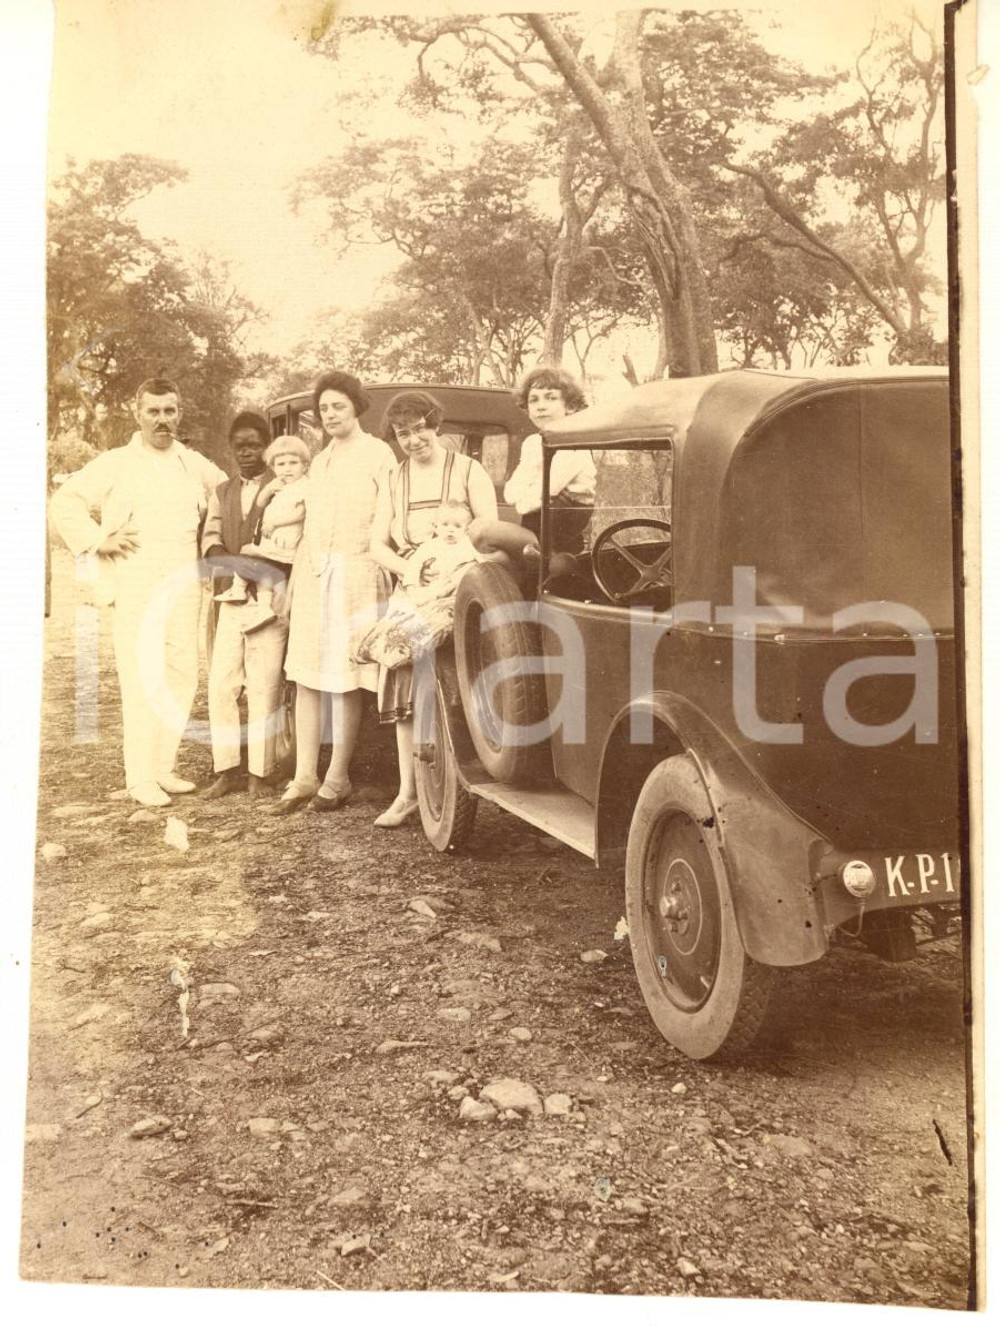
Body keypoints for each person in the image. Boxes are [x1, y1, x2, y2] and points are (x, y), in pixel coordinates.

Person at [49, 377, 227, 807]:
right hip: (136, 578)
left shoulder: (192, 462)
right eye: (154, 411)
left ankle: (163, 766)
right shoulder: (115, 462)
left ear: (179, 413)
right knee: (142, 673)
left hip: (184, 578)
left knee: (182, 672)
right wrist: (96, 540)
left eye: (170, 411)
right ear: (137, 413)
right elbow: (64, 502)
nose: (162, 420)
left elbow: (230, 493)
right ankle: (139, 776)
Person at [265, 371, 396, 816]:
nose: (330, 415)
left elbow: (386, 521)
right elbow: (307, 528)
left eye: (338, 406)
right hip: (315, 574)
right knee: (305, 676)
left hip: (358, 573)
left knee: (344, 679)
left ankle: (337, 777)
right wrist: (297, 582)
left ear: (357, 406)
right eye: (323, 410)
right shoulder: (319, 461)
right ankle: (304, 776)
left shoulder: (379, 455)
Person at [369, 390, 498, 828]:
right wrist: (409, 567)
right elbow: (375, 544)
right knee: (404, 680)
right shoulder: (392, 478)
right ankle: (408, 792)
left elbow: (488, 536)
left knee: (457, 680)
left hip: (458, 589)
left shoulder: (468, 470)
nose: (412, 439)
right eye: (402, 433)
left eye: (419, 428)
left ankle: (472, 789)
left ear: (435, 425)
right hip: (412, 588)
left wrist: (451, 569)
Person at [201, 414, 291, 800]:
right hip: (231, 596)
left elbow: (292, 542)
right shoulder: (222, 492)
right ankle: (227, 769)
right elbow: (211, 542)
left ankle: (261, 772)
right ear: (231, 448)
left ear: (267, 446)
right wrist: (238, 564)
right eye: (240, 445)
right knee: (222, 683)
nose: (247, 452)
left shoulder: (286, 485)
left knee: (263, 686)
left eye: (254, 444)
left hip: (269, 602)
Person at [352, 500, 483, 671]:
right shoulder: (430, 547)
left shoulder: (468, 546)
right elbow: (414, 566)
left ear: (467, 529)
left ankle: (419, 635)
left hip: (453, 590)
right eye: (445, 525)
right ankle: (386, 634)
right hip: (430, 588)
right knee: (406, 605)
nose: (450, 530)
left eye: (457, 526)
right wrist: (413, 587)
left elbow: (483, 561)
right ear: (435, 527)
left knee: (458, 586)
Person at [216, 434, 309, 635]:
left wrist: (275, 523)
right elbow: (260, 505)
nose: (287, 468)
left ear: (304, 465)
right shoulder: (280, 487)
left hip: (285, 544)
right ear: (273, 467)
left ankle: (240, 589)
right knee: (257, 563)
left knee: (249, 554)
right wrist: (268, 491)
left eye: (293, 463)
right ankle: (261, 606)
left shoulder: (304, 487)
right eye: (281, 464)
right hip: (273, 543)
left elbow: (301, 513)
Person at [503, 366, 595, 553]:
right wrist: (523, 497)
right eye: (533, 400)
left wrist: (523, 501)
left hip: (565, 526)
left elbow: (543, 493)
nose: (540, 406)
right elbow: (511, 491)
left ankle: (544, 558)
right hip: (538, 519)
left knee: (483, 532)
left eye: (551, 398)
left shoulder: (574, 444)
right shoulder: (532, 443)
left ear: (570, 407)